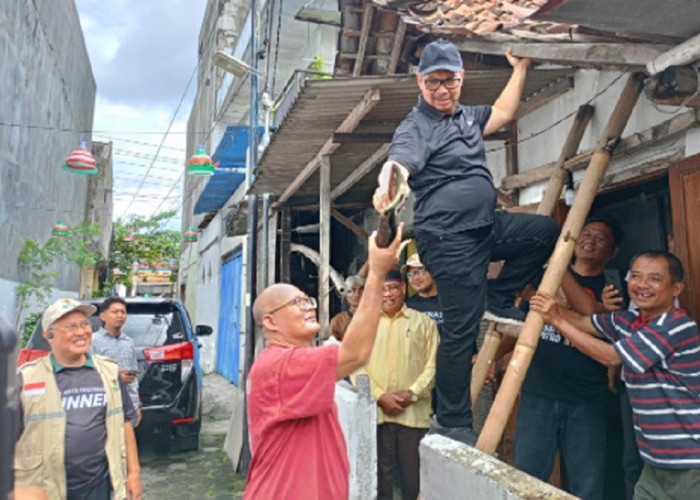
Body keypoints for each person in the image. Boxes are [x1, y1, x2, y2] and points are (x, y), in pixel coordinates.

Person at [373, 38, 559, 443]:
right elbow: (398, 161)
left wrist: (520, 68)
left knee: (543, 232)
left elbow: (506, 112)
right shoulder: (415, 126)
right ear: (419, 83)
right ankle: (454, 421)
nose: (441, 90)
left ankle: (498, 295)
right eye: (432, 83)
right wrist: (388, 184)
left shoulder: (467, 117)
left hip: (484, 227)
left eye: (449, 81)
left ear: (461, 78)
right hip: (448, 238)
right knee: (460, 330)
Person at [243, 227, 404, 500]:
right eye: (297, 302)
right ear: (270, 321)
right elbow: (355, 353)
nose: (309, 307)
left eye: (309, 300)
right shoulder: (280, 365)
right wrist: (376, 273)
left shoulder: (299, 363)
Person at [531, 251, 700, 500]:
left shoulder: (676, 325)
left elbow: (610, 356)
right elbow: (583, 322)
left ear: (676, 288)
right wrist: (547, 307)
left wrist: (556, 319)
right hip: (655, 463)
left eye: (654, 278)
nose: (642, 285)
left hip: (689, 463)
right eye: (636, 276)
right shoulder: (629, 320)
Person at [513, 215, 624, 500]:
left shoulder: (614, 287)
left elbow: (597, 320)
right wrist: (487, 360)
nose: (590, 241)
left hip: (587, 399)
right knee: (527, 476)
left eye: (600, 238)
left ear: (613, 252)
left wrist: (557, 264)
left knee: (587, 482)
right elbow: (520, 325)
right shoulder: (543, 278)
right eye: (586, 234)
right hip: (538, 392)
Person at [15, 298, 142, 500]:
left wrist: (133, 474)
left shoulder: (109, 372)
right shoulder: (25, 379)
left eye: (85, 324)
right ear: (49, 335)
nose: (81, 332)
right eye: (71, 326)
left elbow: (125, 422)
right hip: (43, 488)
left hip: (97, 485)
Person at [353, 269, 438, 500]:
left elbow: (433, 366)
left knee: (415, 483)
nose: (388, 294)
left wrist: (412, 393)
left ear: (403, 288)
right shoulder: (363, 325)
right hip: (377, 416)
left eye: (392, 288)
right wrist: (380, 396)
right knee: (380, 483)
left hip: (413, 416)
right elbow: (355, 366)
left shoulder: (425, 323)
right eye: (382, 289)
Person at [90, 297, 141, 427]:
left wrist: (138, 404)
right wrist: (117, 378)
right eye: (115, 312)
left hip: (129, 405)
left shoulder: (129, 341)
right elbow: (89, 374)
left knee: (127, 443)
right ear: (103, 316)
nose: (120, 315)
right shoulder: (92, 341)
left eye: (123, 312)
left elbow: (134, 377)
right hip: (105, 407)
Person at [402, 253, 444, 335]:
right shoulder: (406, 307)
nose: (415, 278)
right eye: (410, 274)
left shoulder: (451, 302)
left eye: (420, 271)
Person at [328, 274, 365, 342]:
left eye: (361, 290)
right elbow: (333, 346)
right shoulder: (338, 321)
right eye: (352, 290)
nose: (357, 294)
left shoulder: (376, 316)